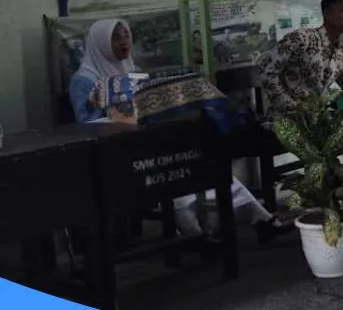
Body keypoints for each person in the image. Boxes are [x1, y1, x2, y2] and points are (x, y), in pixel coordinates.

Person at [68, 18, 290, 243]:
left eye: (126, 36)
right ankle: (196, 236)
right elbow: (87, 125)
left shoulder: (131, 71)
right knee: (175, 179)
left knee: (204, 169)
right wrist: (124, 115)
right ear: (100, 44)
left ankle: (259, 219)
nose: (123, 42)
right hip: (121, 155)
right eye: (115, 37)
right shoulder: (84, 80)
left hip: (152, 145)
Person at [257, 0, 343, 119]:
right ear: (327, 14)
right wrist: (292, 107)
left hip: (316, 122)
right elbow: (267, 72)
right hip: (284, 121)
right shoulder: (302, 39)